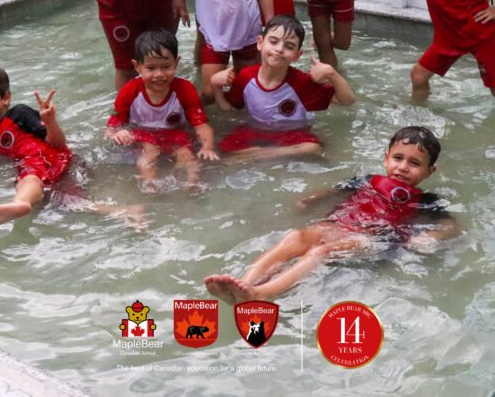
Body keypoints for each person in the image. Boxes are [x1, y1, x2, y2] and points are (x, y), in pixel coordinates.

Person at [203, 125, 459, 302]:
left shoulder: (426, 200)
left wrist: (430, 236)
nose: (403, 167)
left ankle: (261, 294)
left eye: (414, 163)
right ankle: (244, 284)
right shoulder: (367, 180)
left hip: (371, 239)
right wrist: (311, 199)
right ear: (386, 158)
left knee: (320, 252)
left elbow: (452, 225)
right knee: (295, 237)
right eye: (398, 158)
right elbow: (335, 191)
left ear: (429, 171)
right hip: (337, 225)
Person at [210, 15, 354, 161]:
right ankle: (261, 153)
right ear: (260, 43)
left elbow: (347, 100)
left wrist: (331, 73)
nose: (279, 49)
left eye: (289, 46)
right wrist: (216, 86)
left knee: (311, 147)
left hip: (292, 132)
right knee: (222, 149)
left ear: (296, 55)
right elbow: (229, 108)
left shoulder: (301, 82)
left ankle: (267, 153)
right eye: (273, 42)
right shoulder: (246, 77)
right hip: (257, 129)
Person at [106, 28, 219, 192]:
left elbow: (201, 125)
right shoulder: (129, 91)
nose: (159, 74)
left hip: (176, 134)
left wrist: (207, 146)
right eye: (151, 68)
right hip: (143, 135)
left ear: (176, 62)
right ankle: (149, 185)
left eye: (166, 66)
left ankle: (192, 186)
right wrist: (118, 134)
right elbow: (112, 127)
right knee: (149, 153)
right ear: (137, 66)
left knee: (187, 155)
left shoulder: (185, 89)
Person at [0, 65, 71, 231]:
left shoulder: (19, 114)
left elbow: (58, 143)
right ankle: (111, 211)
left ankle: (20, 203)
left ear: (6, 98)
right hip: (34, 166)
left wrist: (49, 121)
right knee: (71, 203)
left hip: (44, 157)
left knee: (29, 178)